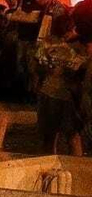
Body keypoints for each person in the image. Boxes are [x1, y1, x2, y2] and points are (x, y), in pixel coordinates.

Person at [34, 14, 83, 154]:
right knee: (73, 135)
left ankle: (50, 164)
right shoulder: (73, 48)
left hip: (48, 92)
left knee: (50, 136)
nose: (74, 32)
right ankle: (77, 166)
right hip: (65, 95)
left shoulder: (46, 44)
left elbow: (37, 66)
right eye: (72, 29)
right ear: (66, 30)